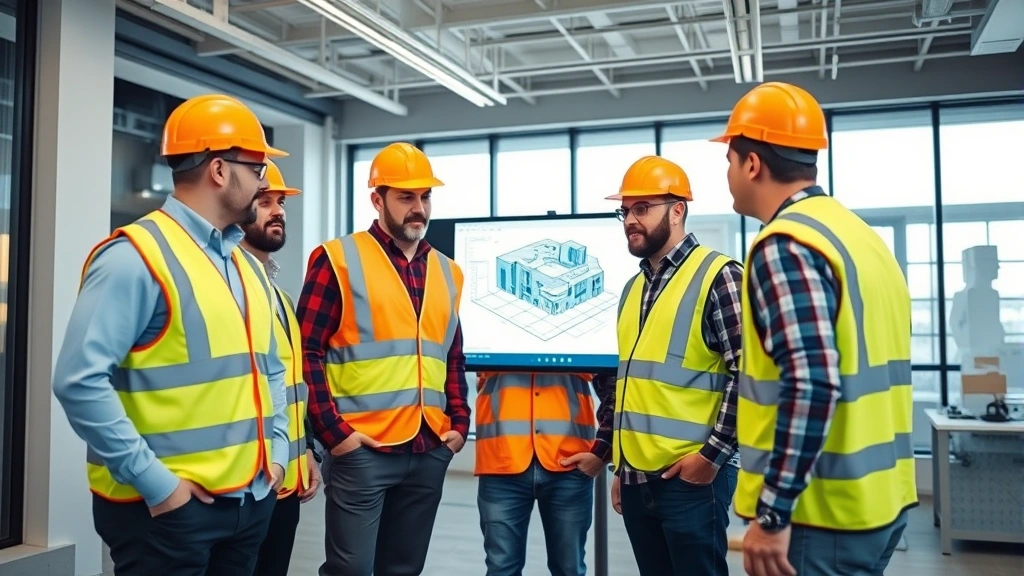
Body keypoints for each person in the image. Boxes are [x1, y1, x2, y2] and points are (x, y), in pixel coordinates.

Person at [53, 94, 291, 576]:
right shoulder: (133, 256)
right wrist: (158, 485)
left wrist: (279, 455)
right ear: (221, 171)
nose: (265, 182)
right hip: (167, 514)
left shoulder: (245, 266)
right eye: (259, 167)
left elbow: (270, 370)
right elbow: (78, 381)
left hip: (249, 502)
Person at [712, 81, 916, 576]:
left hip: (819, 517)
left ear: (753, 164)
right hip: (879, 501)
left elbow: (811, 383)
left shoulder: (786, 244)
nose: (729, 174)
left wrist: (774, 512)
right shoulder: (857, 236)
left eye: (730, 162)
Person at [297, 141, 471, 576]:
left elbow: (451, 356)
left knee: (403, 570)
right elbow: (306, 352)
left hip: (429, 446)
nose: (419, 208)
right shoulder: (337, 260)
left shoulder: (449, 272)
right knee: (351, 570)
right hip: (363, 450)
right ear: (377, 200)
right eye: (406, 197)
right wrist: (336, 435)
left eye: (425, 196)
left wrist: (459, 424)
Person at [603, 156, 743, 576]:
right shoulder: (633, 289)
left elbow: (751, 374)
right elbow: (629, 384)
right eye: (625, 210)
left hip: (692, 481)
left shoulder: (719, 276)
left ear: (677, 210)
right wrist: (621, 465)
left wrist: (712, 457)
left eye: (642, 208)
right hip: (637, 480)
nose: (630, 219)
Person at [242, 160, 324, 576]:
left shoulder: (279, 294)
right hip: (246, 486)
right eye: (265, 201)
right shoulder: (226, 287)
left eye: (281, 202)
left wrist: (306, 449)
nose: (278, 211)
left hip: (284, 481)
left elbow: (292, 387)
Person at [475, 371, 604, 576]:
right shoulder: (492, 338)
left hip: (569, 461)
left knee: (569, 568)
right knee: (501, 568)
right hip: (502, 460)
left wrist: (602, 453)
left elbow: (610, 383)